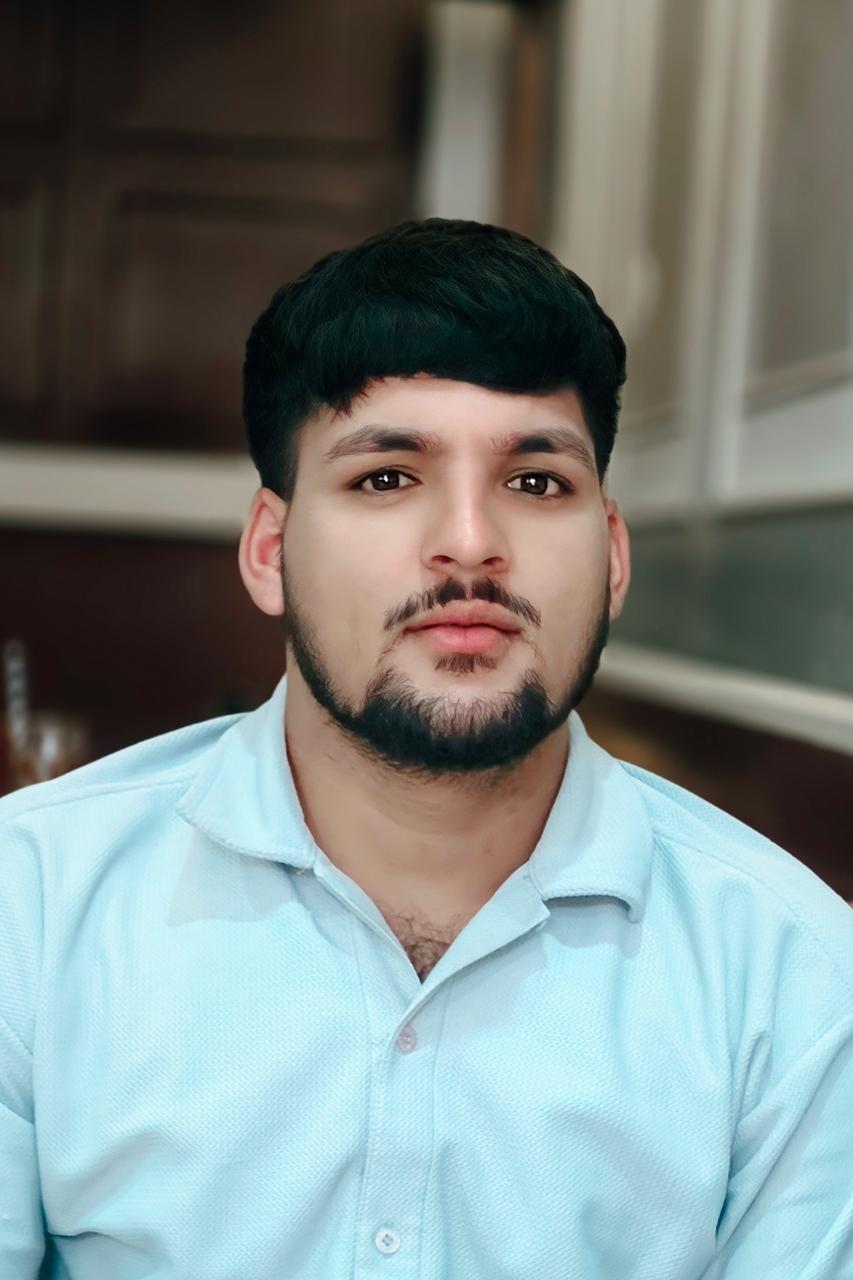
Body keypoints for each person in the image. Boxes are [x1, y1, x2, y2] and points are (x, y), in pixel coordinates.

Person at [1, 219, 851, 1280]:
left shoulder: (796, 978)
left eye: (535, 482)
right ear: (269, 549)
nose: (470, 543)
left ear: (612, 555)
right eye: (386, 477)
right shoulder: (30, 903)